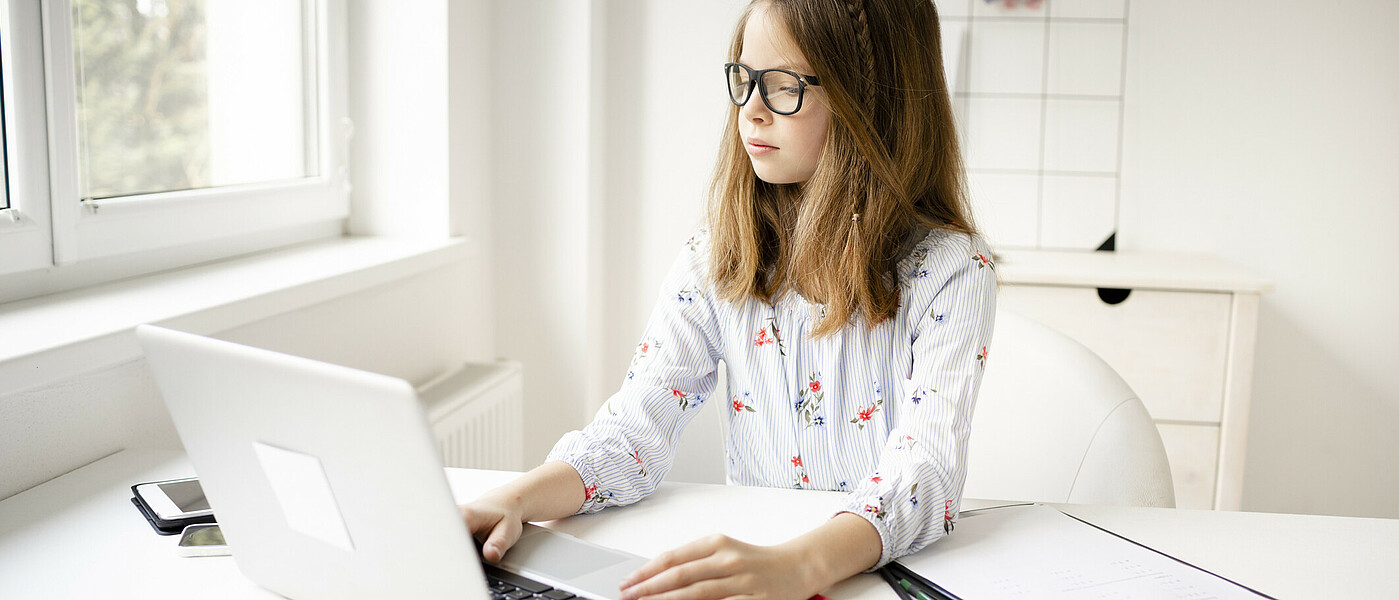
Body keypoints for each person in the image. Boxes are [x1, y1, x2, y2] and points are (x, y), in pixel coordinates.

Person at [460, 1, 996, 598]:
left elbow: (926, 472)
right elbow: (634, 432)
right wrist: (513, 497)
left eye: (785, 86)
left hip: (871, 574)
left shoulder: (951, 269)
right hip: (759, 570)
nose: (752, 109)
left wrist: (801, 565)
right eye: (744, 79)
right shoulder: (716, 256)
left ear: (871, 103)